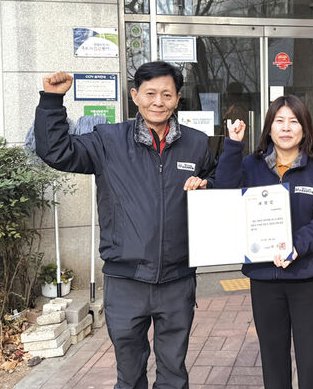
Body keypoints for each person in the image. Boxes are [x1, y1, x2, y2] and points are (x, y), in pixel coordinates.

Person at [34, 61, 216, 389]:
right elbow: (57, 152)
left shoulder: (197, 143)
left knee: (174, 372)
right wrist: (51, 101)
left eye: (166, 94)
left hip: (177, 280)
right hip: (125, 279)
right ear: (135, 96)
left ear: (177, 99)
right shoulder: (108, 141)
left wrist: (207, 186)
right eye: (150, 93)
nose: (158, 102)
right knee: (129, 375)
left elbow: (218, 183)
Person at [215, 95, 313, 389]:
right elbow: (225, 194)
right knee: (273, 359)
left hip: (307, 277)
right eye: (279, 121)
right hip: (264, 278)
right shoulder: (251, 165)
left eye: (293, 121)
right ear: (269, 128)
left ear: (305, 127)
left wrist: (296, 245)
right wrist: (233, 146)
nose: (286, 128)